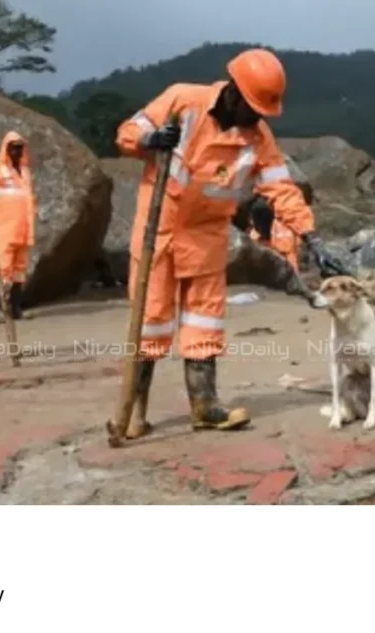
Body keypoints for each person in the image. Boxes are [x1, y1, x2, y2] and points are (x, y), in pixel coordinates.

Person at [114, 48, 349, 439]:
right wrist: (150, 140)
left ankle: (205, 406)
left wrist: (314, 239)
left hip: (207, 235)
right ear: (234, 93)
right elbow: (127, 133)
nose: (256, 118)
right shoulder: (182, 101)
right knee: (151, 320)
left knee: (204, 324)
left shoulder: (259, 139)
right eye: (253, 108)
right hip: (161, 229)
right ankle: (134, 411)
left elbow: (282, 189)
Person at [0, 131, 36, 322]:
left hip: (23, 228)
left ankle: (15, 307)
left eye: (20, 147)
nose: (17, 151)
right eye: (13, 147)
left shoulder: (25, 172)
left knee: (19, 269)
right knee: (2, 267)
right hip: (2, 226)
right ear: (5, 148)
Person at [246, 194, 300, 270]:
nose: (251, 222)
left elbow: (292, 268)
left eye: (254, 221)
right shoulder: (253, 237)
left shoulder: (285, 235)